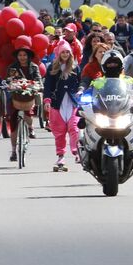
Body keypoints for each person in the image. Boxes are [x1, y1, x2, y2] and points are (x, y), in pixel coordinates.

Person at [43, 42, 82, 171]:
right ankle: (60, 156)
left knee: (74, 127)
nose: (65, 54)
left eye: (67, 52)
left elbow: (81, 82)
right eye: (63, 52)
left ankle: (77, 153)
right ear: (59, 53)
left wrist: (81, 90)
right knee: (59, 132)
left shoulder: (75, 67)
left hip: (72, 102)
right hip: (57, 103)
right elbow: (48, 85)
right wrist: (47, 100)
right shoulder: (52, 68)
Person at [5, 47, 43, 162]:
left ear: (28, 56)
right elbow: (9, 79)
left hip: (29, 94)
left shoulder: (34, 67)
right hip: (15, 95)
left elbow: (38, 79)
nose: (22, 57)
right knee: (13, 123)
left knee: (29, 112)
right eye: (20, 55)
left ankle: (31, 127)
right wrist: (11, 84)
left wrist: (38, 86)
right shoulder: (13, 67)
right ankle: (13, 151)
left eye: (24, 55)